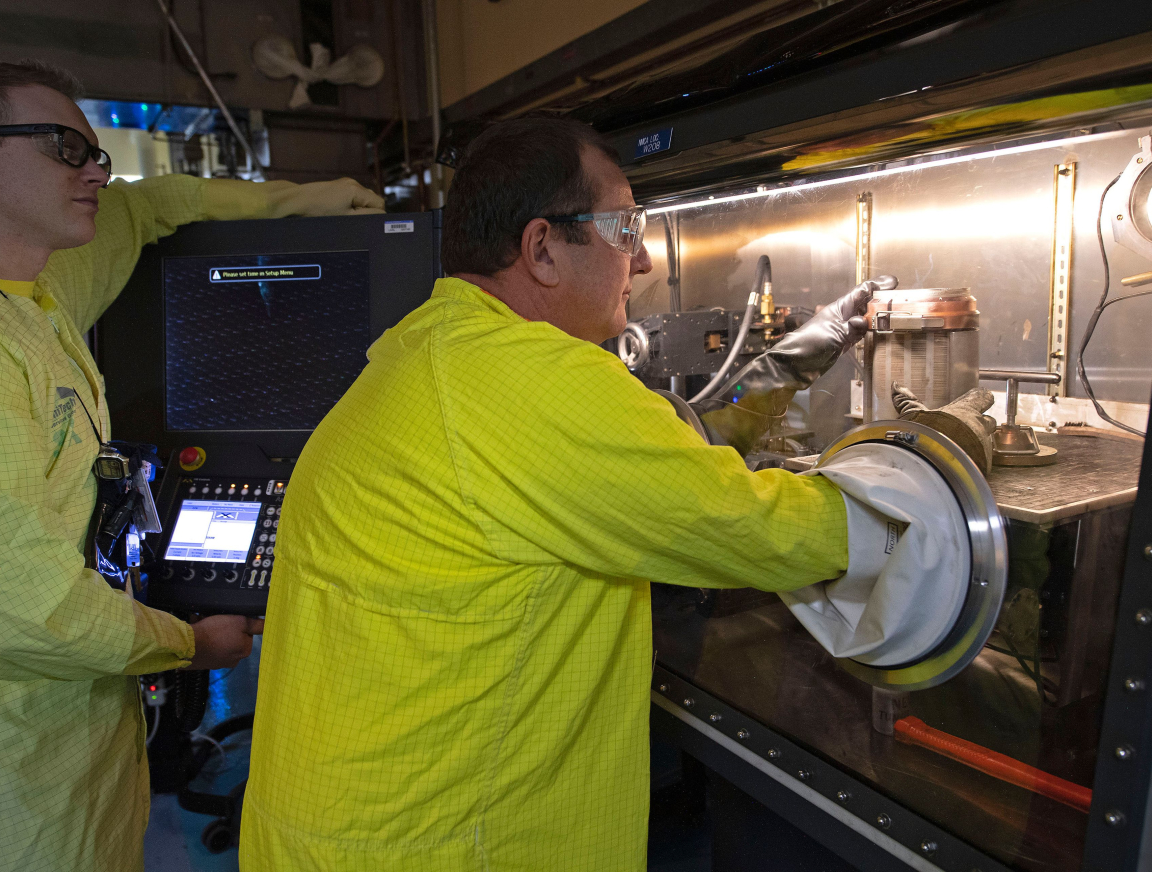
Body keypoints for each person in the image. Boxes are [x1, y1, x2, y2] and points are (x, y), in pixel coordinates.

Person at [242, 116, 888, 870]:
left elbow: (684, 439)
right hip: (442, 845)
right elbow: (765, 531)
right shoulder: (533, 379)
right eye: (624, 228)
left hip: (334, 829)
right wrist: (935, 463)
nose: (642, 260)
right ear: (542, 248)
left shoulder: (434, 351)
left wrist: (805, 352)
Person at [0, 60, 382, 872]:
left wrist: (299, 200)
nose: (95, 168)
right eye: (66, 147)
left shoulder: (33, 285)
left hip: (79, 744)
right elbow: (15, 608)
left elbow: (151, 206)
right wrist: (188, 644)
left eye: (95, 150)